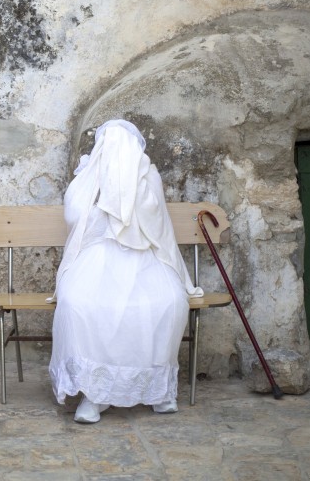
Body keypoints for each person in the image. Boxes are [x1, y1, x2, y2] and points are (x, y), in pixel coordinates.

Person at [48, 119, 204, 423]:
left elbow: (155, 221)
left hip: (144, 258)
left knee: (168, 302)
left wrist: (128, 197)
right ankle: (94, 394)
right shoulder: (89, 176)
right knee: (80, 304)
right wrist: (97, 196)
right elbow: (74, 216)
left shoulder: (148, 176)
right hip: (97, 259)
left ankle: (158, 391)